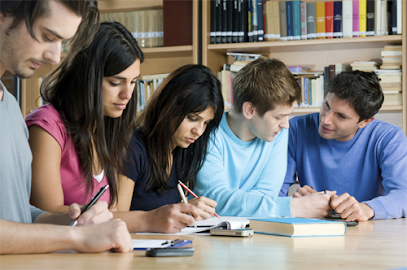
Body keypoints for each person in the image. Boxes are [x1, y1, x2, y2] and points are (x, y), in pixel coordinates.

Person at [0, 0, 132, 254]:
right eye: (47, 36)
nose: (55, 57)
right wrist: (74, 239)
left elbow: (17, 214)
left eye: (62, 43)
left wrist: (76, 221)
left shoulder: (11, 107)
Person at [26, 21, 144, 213]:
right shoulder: (47, 127)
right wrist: (147, 219)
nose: (127, 95)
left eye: (133, 82)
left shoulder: (109, 130)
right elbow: (46, 216)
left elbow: (112, 216)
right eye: (115, 83)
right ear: (84, 75)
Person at [194, 58, 334, 218]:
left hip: (252, 229)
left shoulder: (277, 133)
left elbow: (267, 195)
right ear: (250, 110)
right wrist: (293, 207)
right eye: (278, 117)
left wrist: (247, 206)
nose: (286, 125)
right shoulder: (206, 133)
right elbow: (215, 201)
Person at [281, 70, 407, 222]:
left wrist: (366, 209)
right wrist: (295, 205)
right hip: (314, 229)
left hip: (369, 232)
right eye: (326, 105)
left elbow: (403, 195)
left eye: (341, 116)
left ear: (365, 122)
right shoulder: (296, 128)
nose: (326, 119)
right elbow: (273, 193)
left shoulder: (389, 138)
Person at [114, 64, 224, 233]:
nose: (199, 131)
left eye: (206, 123)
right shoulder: (132, 149)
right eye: (192, 118)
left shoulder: (184, 151)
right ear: (169, 107)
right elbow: (114, 219)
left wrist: (186, 211)